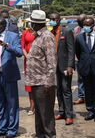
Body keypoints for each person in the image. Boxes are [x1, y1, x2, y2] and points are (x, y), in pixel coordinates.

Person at [25, 10, 57, 138]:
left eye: (31, 23)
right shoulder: (38, 36)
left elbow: (52, 62)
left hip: (43, 83)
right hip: (35, 82)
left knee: (46, 117)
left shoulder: (47, 37)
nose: (30, 25)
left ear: (34, 23)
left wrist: (48, 83)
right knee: (39, 116)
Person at [75, 17, 95, 122]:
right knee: (88, 90)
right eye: (84, 25)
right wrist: (84, 63)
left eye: (88, 25)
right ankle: (90, 110)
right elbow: (78, 53)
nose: (86, 27)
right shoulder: (79, 38)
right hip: (85, 67)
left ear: (93, 25)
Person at [49, 13, 75, 125]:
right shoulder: (50, 33)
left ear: (59, 20)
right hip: (55, 67)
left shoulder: (67, 31)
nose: (52, 21)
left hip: (65, 67)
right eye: (50, 19)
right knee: (58, 90)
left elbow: (71, 50)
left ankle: (69, 115)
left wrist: (70, 65)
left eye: (54, 19)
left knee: (66, 90)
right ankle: (61, 111)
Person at [73, 14, 95, 105]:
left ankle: (92, 97)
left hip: (92, 59)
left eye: (81, 22)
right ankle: (82, 97)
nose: (80, 24)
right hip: (79, 59)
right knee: (81, 79)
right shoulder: (76, 29)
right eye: (79, 22)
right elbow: (75, 45)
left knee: (92, 79)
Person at [21, 22, 35, 116]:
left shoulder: (41, 32)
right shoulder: (25, 33)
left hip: (39, 61)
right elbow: (22, 46)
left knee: (39, 84)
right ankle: (32, 106)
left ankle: (39, 105)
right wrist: (27, 56)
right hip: (28, 61)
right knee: (29, 85)